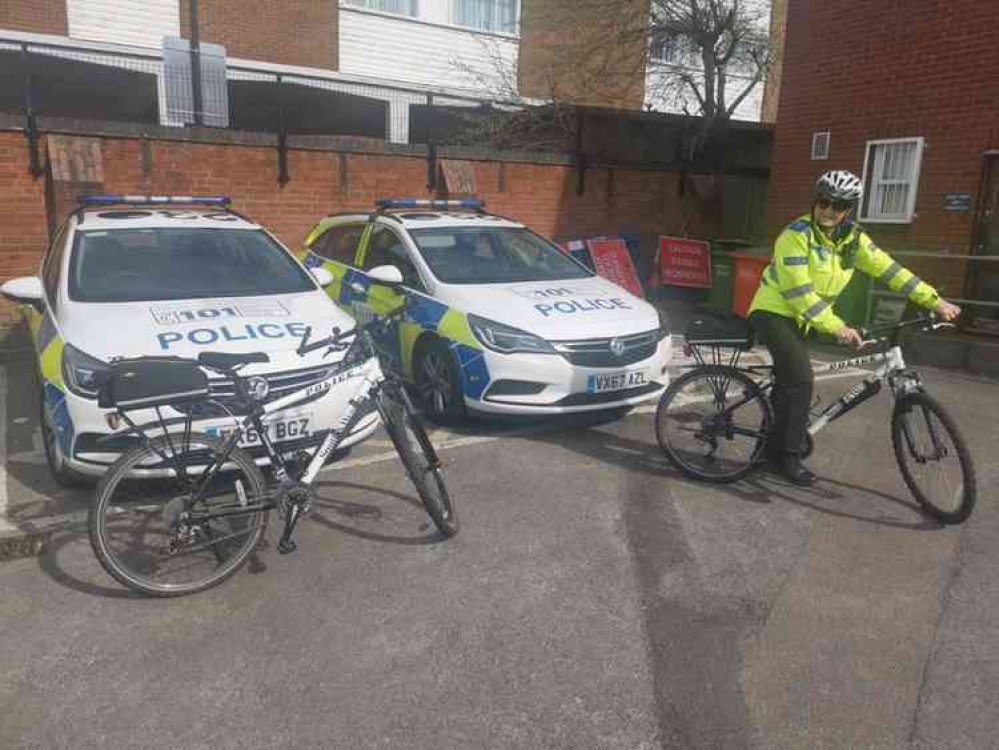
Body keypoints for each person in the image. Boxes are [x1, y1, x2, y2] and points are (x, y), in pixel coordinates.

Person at [747, 170, 961, 486]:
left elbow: (892, 271)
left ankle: (765, 452)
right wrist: (838, 328)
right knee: (801, 380)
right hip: (774, 312)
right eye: (824, 201)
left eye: (839, 204)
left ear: (850, 209)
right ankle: (785, 459)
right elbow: (798, 292)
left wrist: (934, 301)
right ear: (815, 201)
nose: (829, 210)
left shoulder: (854, 241)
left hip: (807, 318)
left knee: (788, 387)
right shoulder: (795, 236)